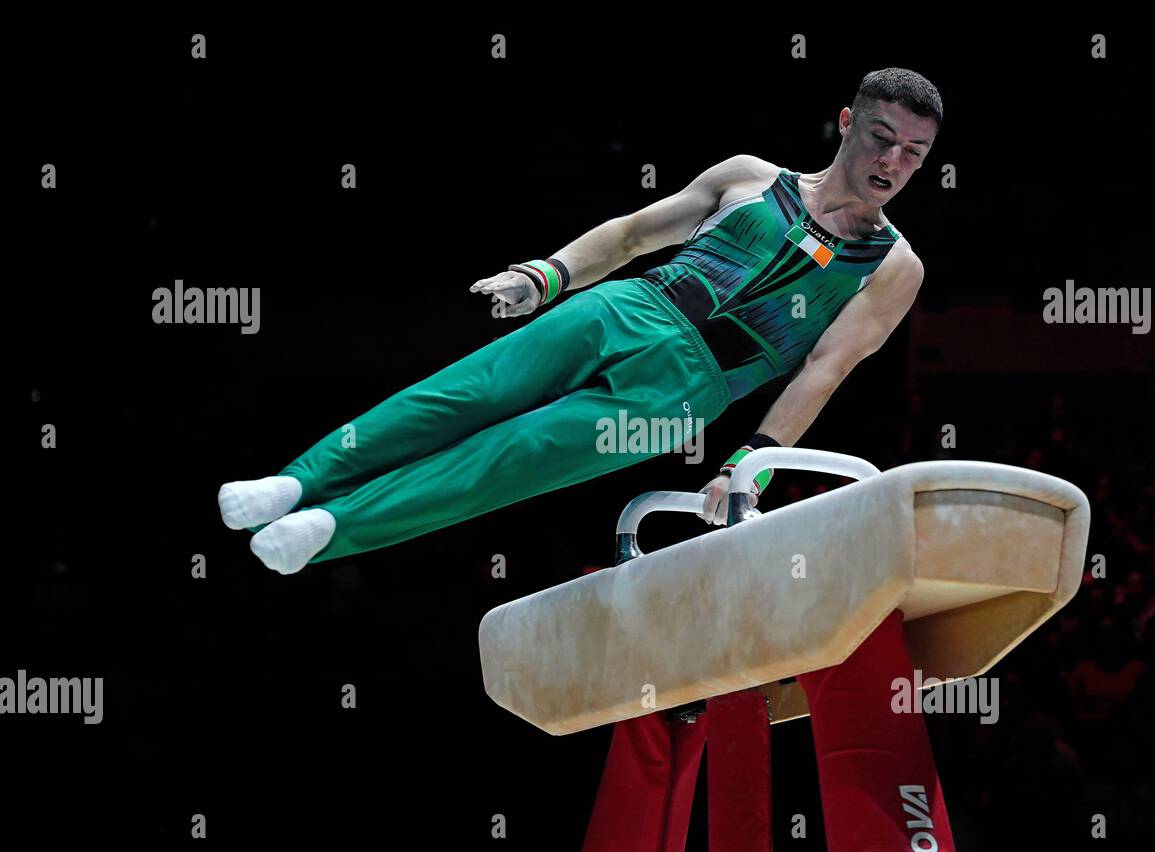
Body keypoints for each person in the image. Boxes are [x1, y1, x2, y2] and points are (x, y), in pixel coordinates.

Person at [218, 67, 942, 573]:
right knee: (464, 394)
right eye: (881, 136)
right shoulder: (751, 176)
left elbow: (826, 367)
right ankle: (299, 481)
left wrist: (748, 460)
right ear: (847, 121)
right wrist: (546, 274)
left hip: (681, 394)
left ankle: (333, 526)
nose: (892, 160)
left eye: (913, 153)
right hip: (625, 306)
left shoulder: (891, 266)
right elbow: (630, 234)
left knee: (509, 460)